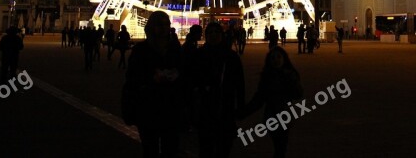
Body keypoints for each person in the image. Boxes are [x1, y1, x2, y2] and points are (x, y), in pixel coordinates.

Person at [121, 11, 184, 158]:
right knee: (150, 149)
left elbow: (184, 72)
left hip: (171, 107)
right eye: (159, 25)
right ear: (152, 27)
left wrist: (175, 76)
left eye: (166, 24)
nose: (163, 28)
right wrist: (151, 79)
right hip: (149, 108)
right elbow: (132, 78)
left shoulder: (176, 49)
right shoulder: (140, 51)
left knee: (171, 148)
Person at [191, 22, 245, 158]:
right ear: (206, 35)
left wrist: (240, 105)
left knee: (223, 147)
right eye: (210, 33)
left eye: (216, 32)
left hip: (224, 106)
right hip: (206, 108)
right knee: (206, 147)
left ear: (222, 35)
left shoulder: (231, 57)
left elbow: (240, 83)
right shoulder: (199, 55)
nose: (213, 35)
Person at [238, 47, 303, 158]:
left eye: (278, 57)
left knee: (280, 147)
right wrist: (243, 112)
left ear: (284, 58)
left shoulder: (289, 75)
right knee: (280, 146)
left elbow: (298, 94)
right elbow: (259, 98)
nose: (276, 60)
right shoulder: (268, 77)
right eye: (273, 58)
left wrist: (291, 81)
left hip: (283, 114)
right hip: (272, 115)